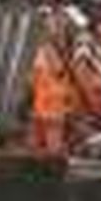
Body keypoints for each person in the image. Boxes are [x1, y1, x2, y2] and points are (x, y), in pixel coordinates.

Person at [30, 13, 77, 156]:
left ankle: (51, 164)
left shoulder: (49, 50)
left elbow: (37, 76)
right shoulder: (50, 51)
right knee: (47, 140)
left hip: (49, 101)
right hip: (49, 102)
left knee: (48, 140)